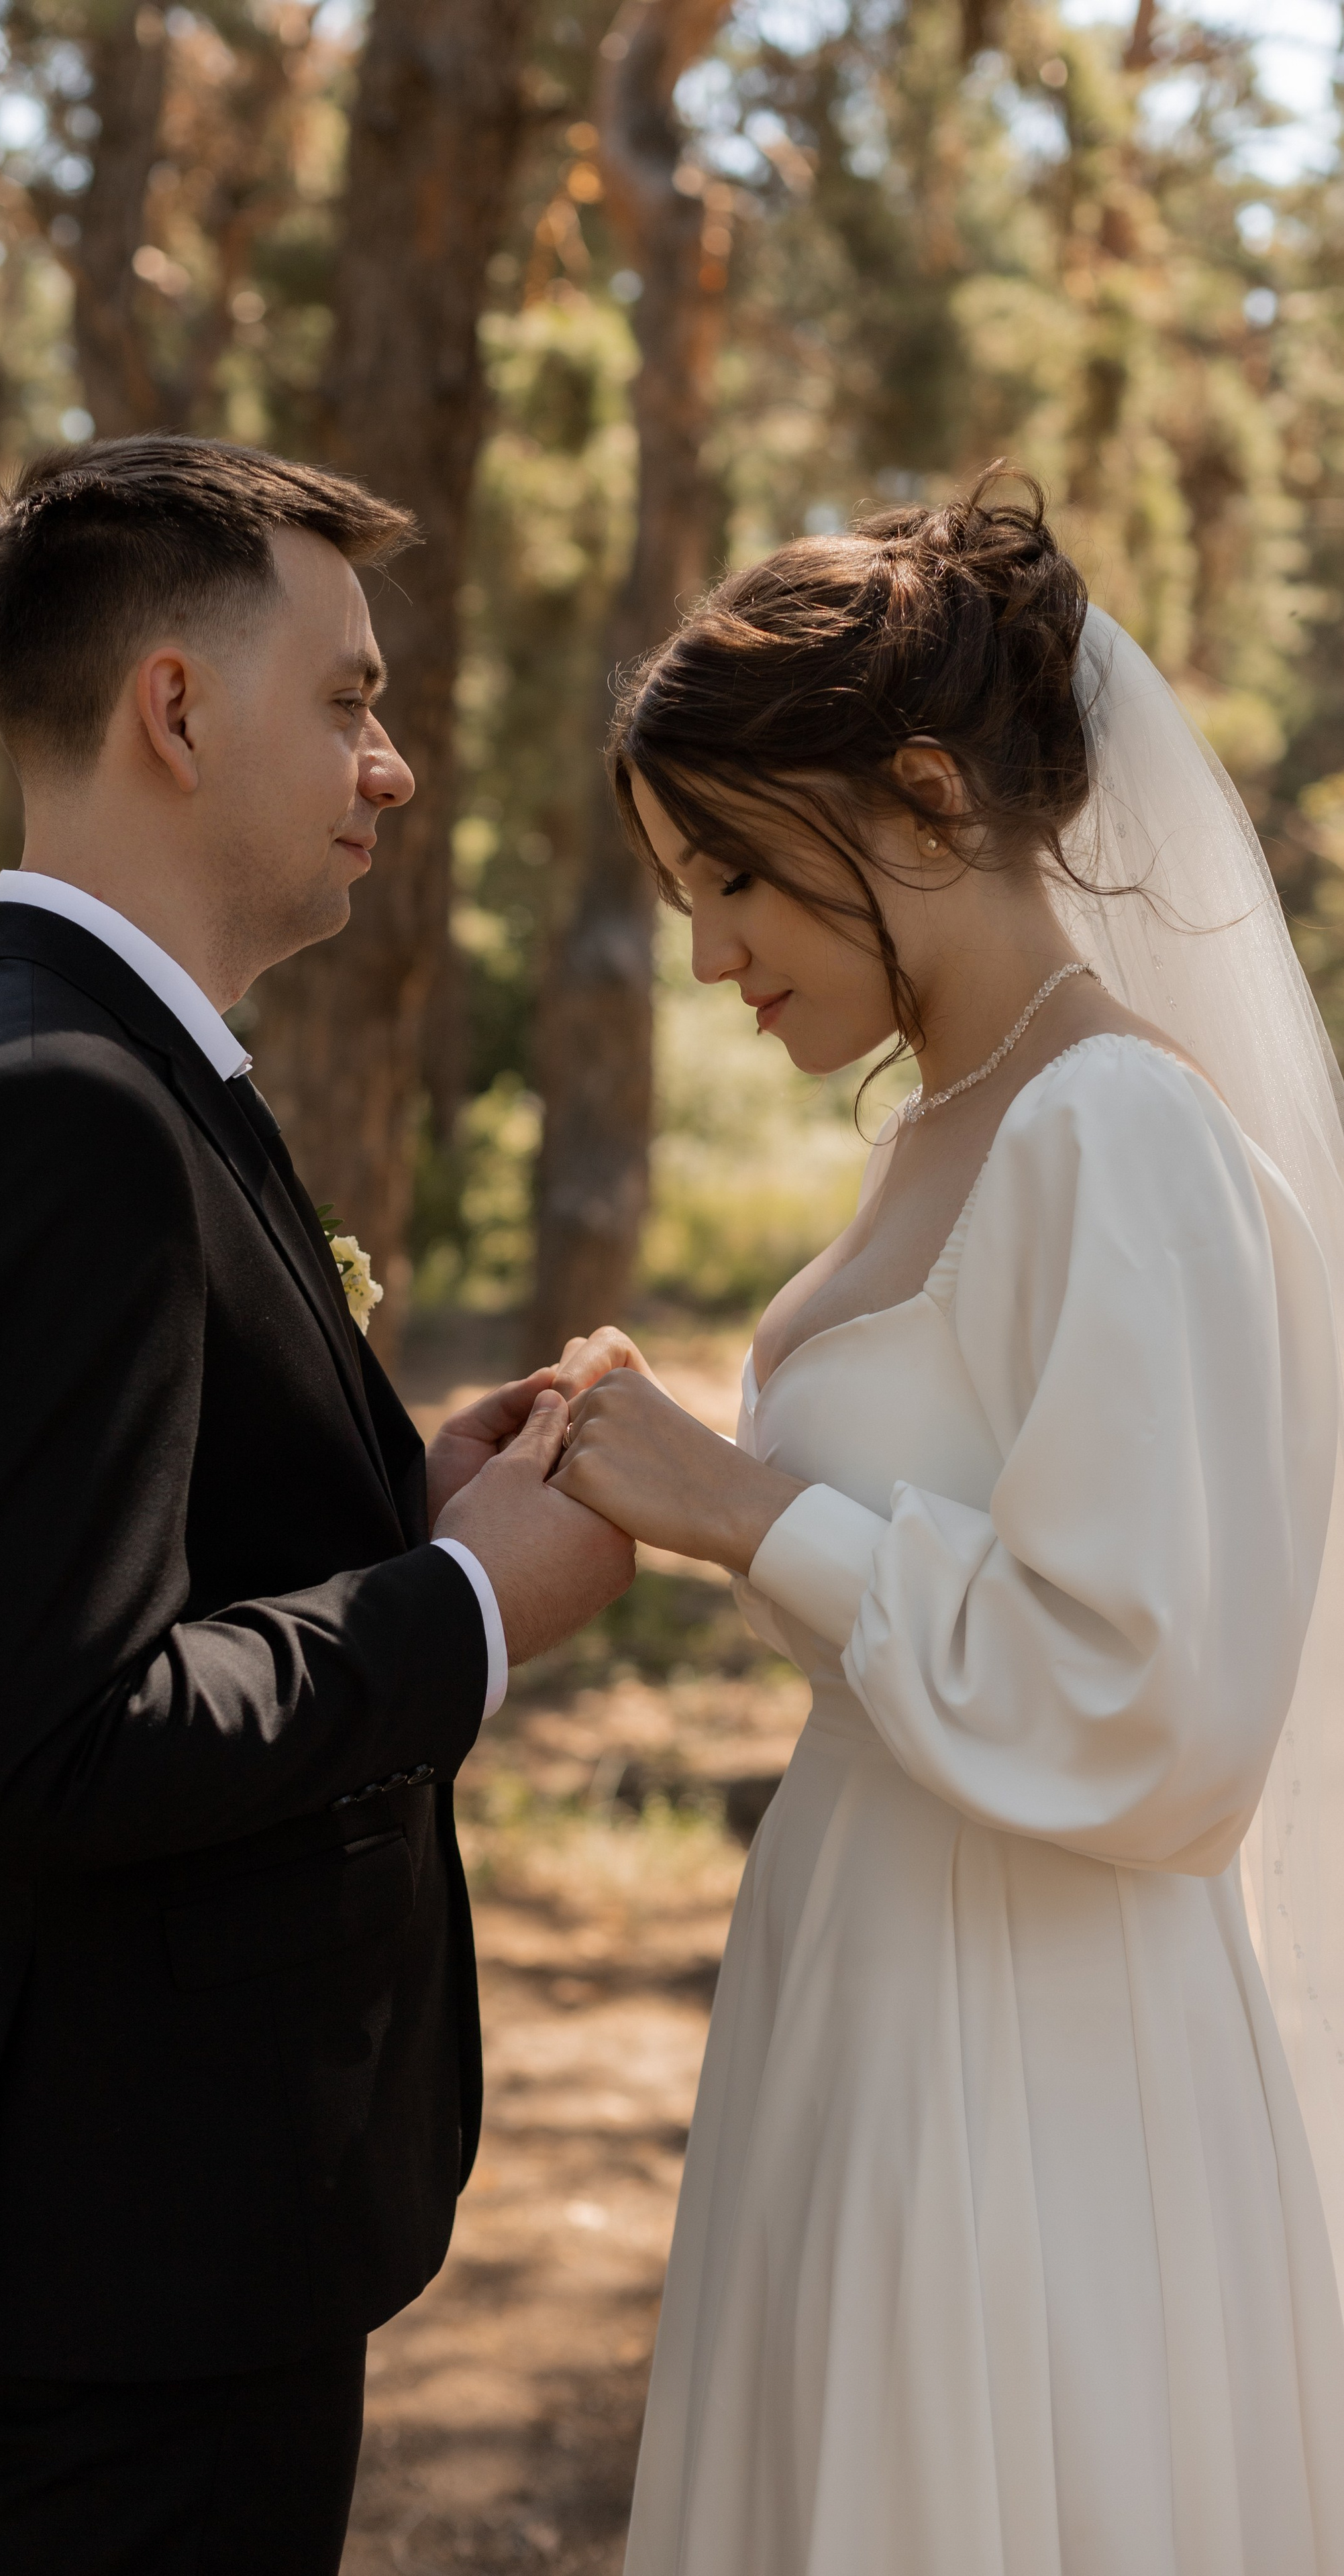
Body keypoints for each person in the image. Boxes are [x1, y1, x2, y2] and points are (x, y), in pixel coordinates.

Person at [0, 434, 633, 2576]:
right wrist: (464, 1604)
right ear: (174, 707)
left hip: (132, 2216)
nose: (394, 764)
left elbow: (115, 1564)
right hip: (127, 2240)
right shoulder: (54, 1112)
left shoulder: (58, 1066)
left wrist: (387, 1500)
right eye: (347, 699)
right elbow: (62, 1742)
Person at [545, 478, 1344, 2574]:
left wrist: (749, 1512)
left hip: (1041, 2059)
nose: (709, 953)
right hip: (872, 1990)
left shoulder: (1120, 1130)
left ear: (915, 795)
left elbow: (1163, 1714)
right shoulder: (945, 1125)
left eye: (736, 877)